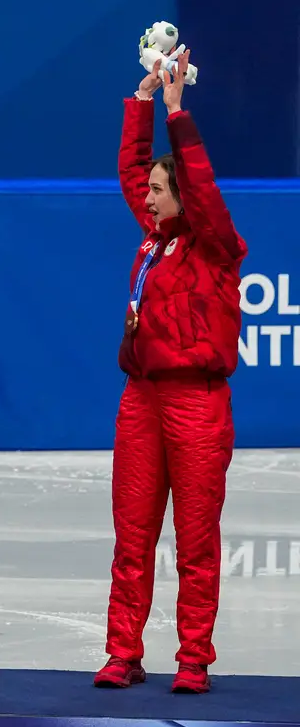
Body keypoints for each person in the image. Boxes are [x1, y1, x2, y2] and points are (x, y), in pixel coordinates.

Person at [95, 51, 247, 694]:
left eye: (160, 191)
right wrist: (141, 100)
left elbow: (200, 185)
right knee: (131, 536)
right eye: (151, 192)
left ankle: (192, 660)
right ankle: (122, 653)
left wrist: (177, 113)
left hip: (197, 405)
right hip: (142, 400)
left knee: (195, 542)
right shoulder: (156, 236)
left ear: (183, 196)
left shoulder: (214, 244)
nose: (147, 198)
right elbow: (133, 170)